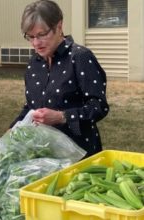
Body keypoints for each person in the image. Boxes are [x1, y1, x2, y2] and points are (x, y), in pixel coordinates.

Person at [10, 0, 109, 157]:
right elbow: (32, 106)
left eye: (42, 34)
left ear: (59, 27)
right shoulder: (34, 63)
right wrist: (12, 129)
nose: (36, 43)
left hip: (79, 151)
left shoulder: (80, 57)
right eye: (30, 37)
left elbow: (98, 107)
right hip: (43, 153)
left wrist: (61, 116)